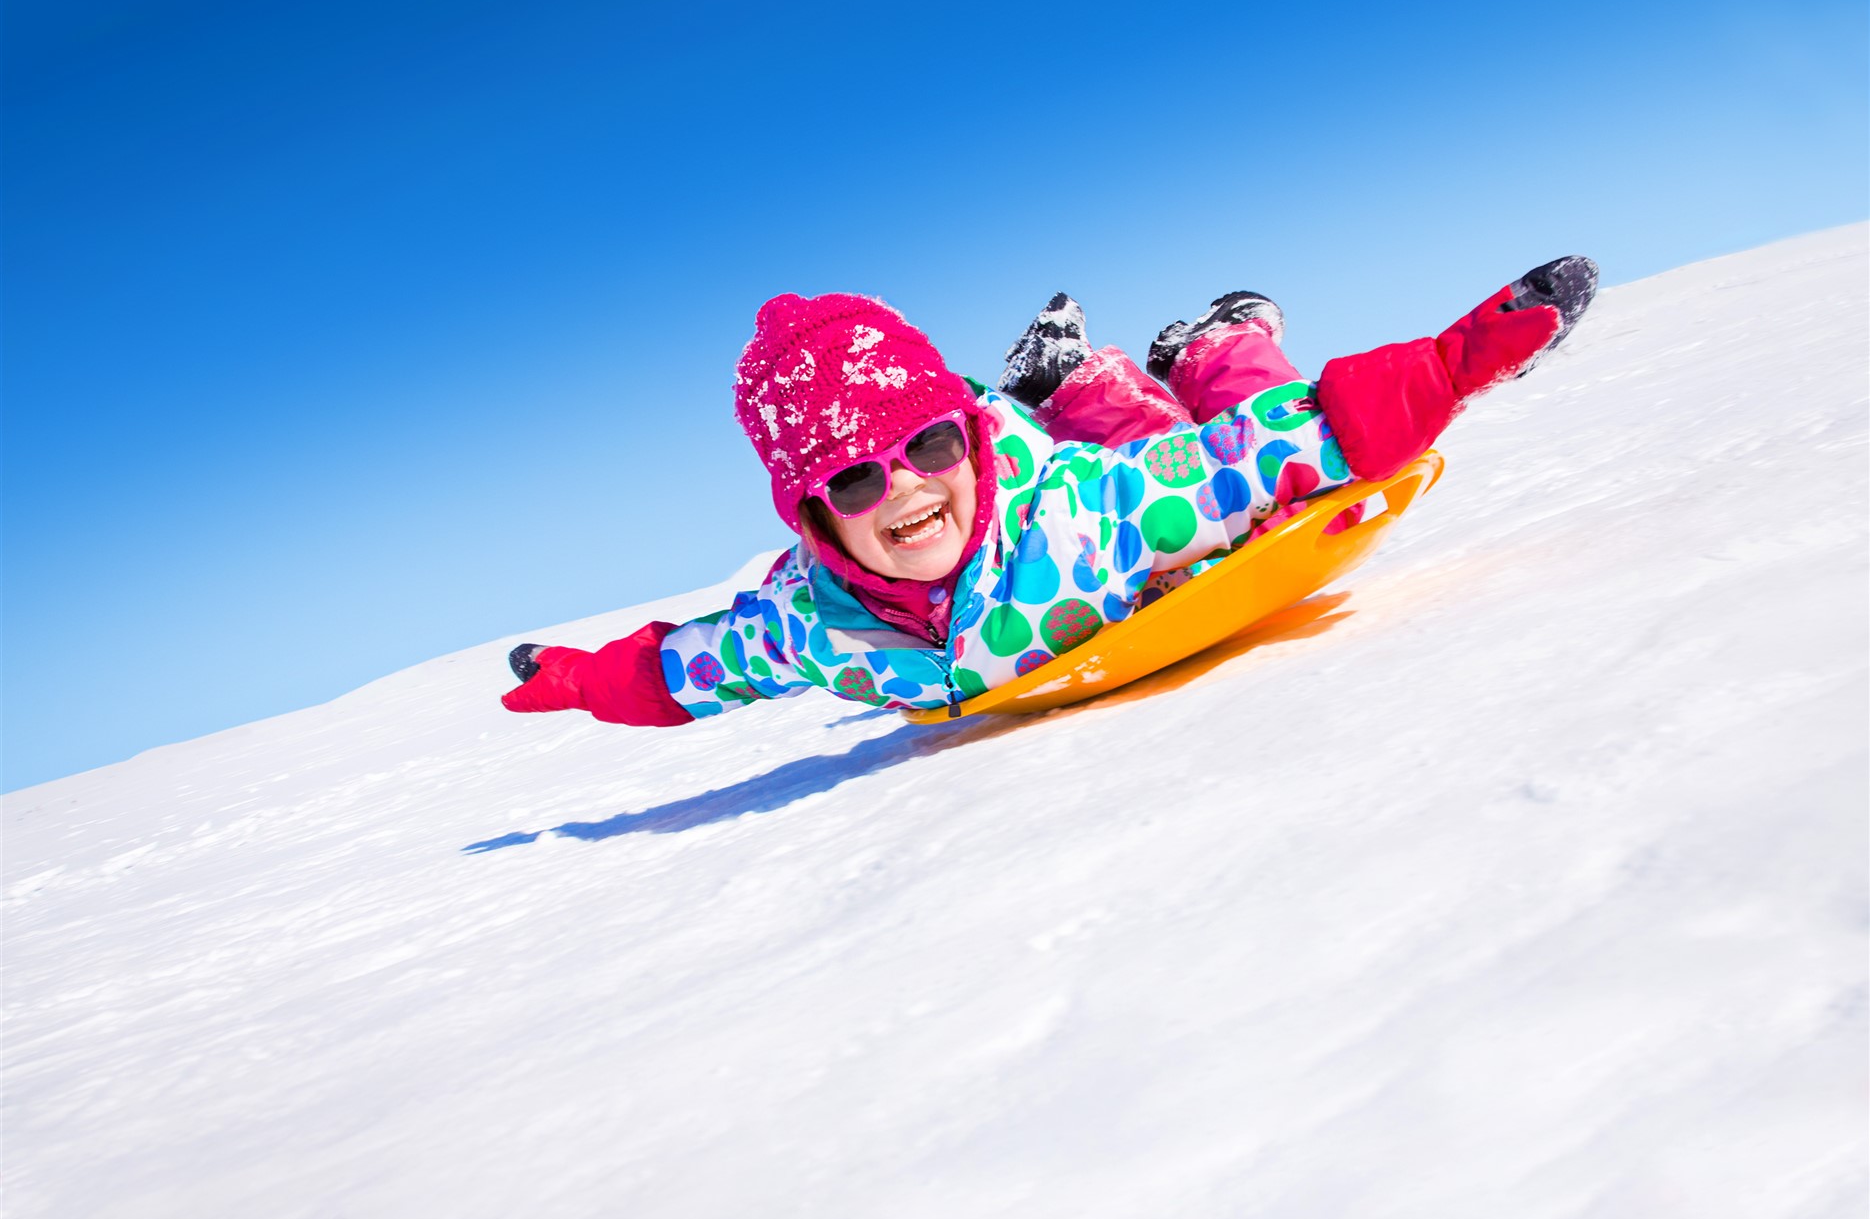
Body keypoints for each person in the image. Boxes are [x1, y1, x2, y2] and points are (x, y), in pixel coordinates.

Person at [501, 258, 1598, 725]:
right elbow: (699, 662)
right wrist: (588, 678)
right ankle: (1076, 373)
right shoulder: (811, 622)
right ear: (813, 515)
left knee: (1207, 425)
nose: (906, 489)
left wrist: (1446, 369)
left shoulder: (1093, 519)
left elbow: (1254, 452)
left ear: (972, 444)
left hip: (1100, 477)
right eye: (854, 475)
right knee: (1139, 427)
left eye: (929, 446)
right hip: (1038, 458)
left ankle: (1211, 342)